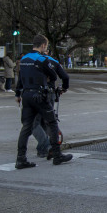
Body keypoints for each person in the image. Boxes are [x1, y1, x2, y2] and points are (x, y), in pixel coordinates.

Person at [14, 34, 72, 169]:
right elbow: (53, 76)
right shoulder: (42, 59)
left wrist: (18, 94)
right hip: (40, 95)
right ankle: (57, 155)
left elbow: (21, 79)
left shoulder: (23, 59)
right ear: (43, 46)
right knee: (51, 123)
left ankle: (20, 158)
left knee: (26, 127)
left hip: (26, 95)